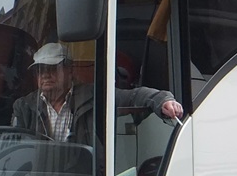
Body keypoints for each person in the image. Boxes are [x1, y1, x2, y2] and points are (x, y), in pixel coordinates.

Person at [11, 42, 183, 143]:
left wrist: (163, 101)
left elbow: (134, 96)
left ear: (70, 70)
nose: (45, 75)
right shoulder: (24, 106)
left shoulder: (95, 96)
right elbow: (15, 149)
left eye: (52, 68)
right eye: (40, 70)